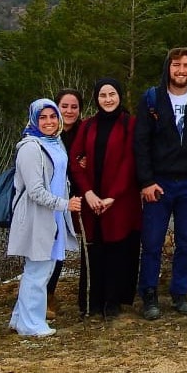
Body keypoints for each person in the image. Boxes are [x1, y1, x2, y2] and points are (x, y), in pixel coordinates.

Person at [133, 47, 187, 318]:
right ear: (168, 67)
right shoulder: (152, 98)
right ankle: (149, 294)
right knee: (153, 242)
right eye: (176, 65)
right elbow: (141, 143)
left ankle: (179, 293)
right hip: (159, 182)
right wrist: (145, 181)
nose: (181, 71)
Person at [67, 78, 142, 319]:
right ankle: (92, 300)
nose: (108, 99)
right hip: (91, 200)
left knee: (117, 249)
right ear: (96, 99)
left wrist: (112, 197)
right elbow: (74, 160)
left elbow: (130, 163)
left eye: (112, 94)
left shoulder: (131, 124)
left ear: (119, 95)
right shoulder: (87, 126)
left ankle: (113, 300)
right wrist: (88, 193)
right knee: (94, 248)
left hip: (119, 200)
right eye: (102, 95)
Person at [7, 99, 83, 338]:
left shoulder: (55, 142)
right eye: (43, 118)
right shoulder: (30, 147)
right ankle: (32, 323)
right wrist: (65, 204)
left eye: (53, 116)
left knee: (43, 268)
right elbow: (35, 190)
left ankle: (20, 318)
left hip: (53, 217)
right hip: (37, 217)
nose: (49, 122)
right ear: (34, 120)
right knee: (38, 270)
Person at [46, 87, 85, 320]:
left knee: (67, 247)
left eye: (74, 107)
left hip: (78, 198)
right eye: (64, 106)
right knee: (51, 249)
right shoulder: (48, 132)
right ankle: (45, 294)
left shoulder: (85, 131)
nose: (69, 111)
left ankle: (86, 295)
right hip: (52, 200)